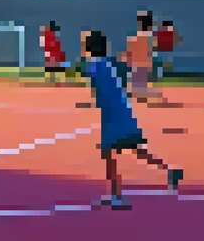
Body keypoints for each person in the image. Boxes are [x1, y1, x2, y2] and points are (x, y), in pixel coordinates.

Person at [77, 30, 182, 209]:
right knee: (135, 149)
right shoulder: (106, 64)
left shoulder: (94, 65)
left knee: (109, 154)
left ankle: (117, 197)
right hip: (122, 112)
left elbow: (93, 82)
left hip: (113, 115)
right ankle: (170, 171)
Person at [122, 13, 158, 103]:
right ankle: (138, 96)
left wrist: (128, 59)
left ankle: (133, 95)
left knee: (136, 83)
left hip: (137, 63)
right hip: (142, 64)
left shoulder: (138, 37)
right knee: (140, 83)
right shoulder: (150, 38)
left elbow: (131, 50)